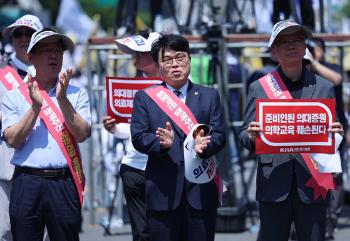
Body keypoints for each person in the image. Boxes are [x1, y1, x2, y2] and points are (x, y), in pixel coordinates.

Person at [239, 19, 344, 241]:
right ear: (273, 51)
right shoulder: (258, 87)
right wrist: (250, 136)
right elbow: (244, 135)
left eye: (296, 40)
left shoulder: (324, 87)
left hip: (313, 182)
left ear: (306, 48)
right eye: (283, 42)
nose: (291, 46)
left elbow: (333, 136)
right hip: (273, 183)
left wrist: (336, 135)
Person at [130, 34, 226, 241]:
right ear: (158, 65)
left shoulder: (209, 96)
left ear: (189, 59)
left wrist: (206, 146)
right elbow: (138, 136)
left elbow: (220, 134)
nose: (175, 64)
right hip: (163, 193)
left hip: (200, 192)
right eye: (167, 60)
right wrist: (160, 144)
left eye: (180, 57)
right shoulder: (145, 98)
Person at [1, 28, 91, 241]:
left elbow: (82, 134)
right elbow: (13, 139)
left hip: (63, 182)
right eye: (46, 50)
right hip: (27, 181)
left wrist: (62, 100)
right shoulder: (15, 95)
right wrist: (34, 107)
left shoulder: (76, 93)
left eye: (57, 51)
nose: (53, 55)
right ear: (30, 56)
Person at [102, 32, 161, 241]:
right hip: (134, 166)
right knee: (141, 233)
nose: (135, 57)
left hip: (167, 166)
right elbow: (128, 129)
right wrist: (113, 128)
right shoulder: (130, 86)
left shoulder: (179, 84)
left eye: (140, 52)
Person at [0, 14, 43, 241]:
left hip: (44, 166)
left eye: (30, 33)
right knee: (4, 231)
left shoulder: (53, 75)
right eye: (19, 33)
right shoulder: (1, 75)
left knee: (43, 232)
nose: (24, 38)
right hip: (7, 165)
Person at [306, 37, 347, 240]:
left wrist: (314, 63)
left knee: (334, 177)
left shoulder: (329, 67)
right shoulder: (300, 69)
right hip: (307, 136)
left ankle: (331, 221)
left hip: (333, 135)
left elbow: (336, 79)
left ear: (322, 51)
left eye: (313, 49)